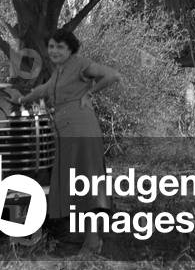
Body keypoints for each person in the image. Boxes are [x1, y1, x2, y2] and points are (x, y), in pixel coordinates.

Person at [10, 28, 121, 256]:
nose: (54, 51)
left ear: (70, 49)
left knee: (86, 184)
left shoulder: (80, 64)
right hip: (65, 133)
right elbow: (43, 89)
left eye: (60, 46)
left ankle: (92, 242)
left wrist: (89, 94)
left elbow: (112, 75)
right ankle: (85, 239)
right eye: (51, 46)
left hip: (81, 130)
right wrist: (21, 99)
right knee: (75, 186)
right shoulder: (58, 72)